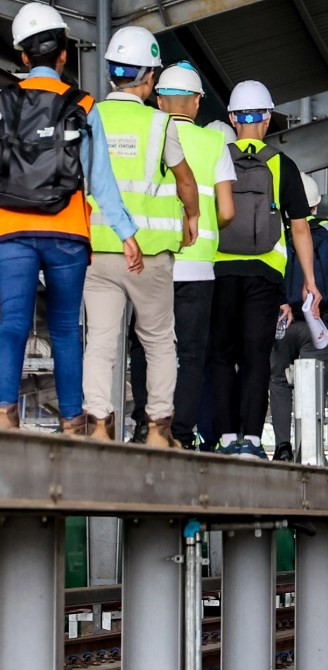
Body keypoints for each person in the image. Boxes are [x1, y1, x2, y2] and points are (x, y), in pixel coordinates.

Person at [0, 4, 138, 435]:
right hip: (66, 233)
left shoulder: (3, 103)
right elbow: (100, 181)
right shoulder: (82, 105)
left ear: (23, 57)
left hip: (12, 231)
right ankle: (73, 421)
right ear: (63, 55)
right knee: (63, 328)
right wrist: (126, 232)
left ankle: (4, 416)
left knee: (11, 325)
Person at [84, 26, 200, 446]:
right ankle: (157, 429)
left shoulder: (90, 116)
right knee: (157, 342)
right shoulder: (159, 124)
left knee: (100, 340)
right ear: (149, 79)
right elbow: (185, 180)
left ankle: (97, 423)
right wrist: (193, 216)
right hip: (149, 255)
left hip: (98, 251)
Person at [208, 80, 321, 459]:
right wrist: (308, 280)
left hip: (220, 268)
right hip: (265, 273)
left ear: (232, 119)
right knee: (256, 354)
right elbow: (300, 227)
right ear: (267, 119)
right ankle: (252, 440)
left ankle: (224, 437)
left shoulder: (216, 157)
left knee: (222, 353)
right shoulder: (281, 164)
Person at [128, 61, 235, 449]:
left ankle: (145, 424)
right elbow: (226, 211)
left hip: (151, 260)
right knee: (190, 353)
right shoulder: (214, 143)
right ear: (195, 102)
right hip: (198, 267)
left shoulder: (148, 133)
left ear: (160, 99)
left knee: (144, 344)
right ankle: (183, 433)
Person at [269, 173, 328, 461]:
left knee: (278, 381)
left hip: (283, 319)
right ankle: (309, 450)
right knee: (312, 386)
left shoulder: (277, 230)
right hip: (317, 321)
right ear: (315, 205)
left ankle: (282, 447)